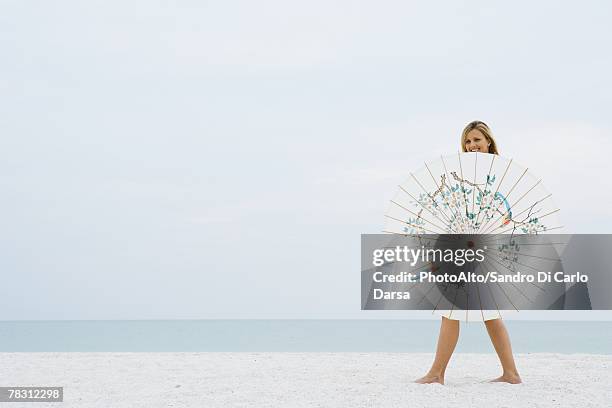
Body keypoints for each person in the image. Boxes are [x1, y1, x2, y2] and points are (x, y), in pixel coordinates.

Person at [414, 120, 522, 385]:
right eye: (467, 141)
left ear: (488, 143)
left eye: (477, 140)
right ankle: (510, 373)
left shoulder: (500, 174)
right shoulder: (459, 173)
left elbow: (505, 214)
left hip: (484, 247)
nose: (472, 145)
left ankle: (437, 374)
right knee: (479, 312)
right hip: (460, 245)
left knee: (456, 309)